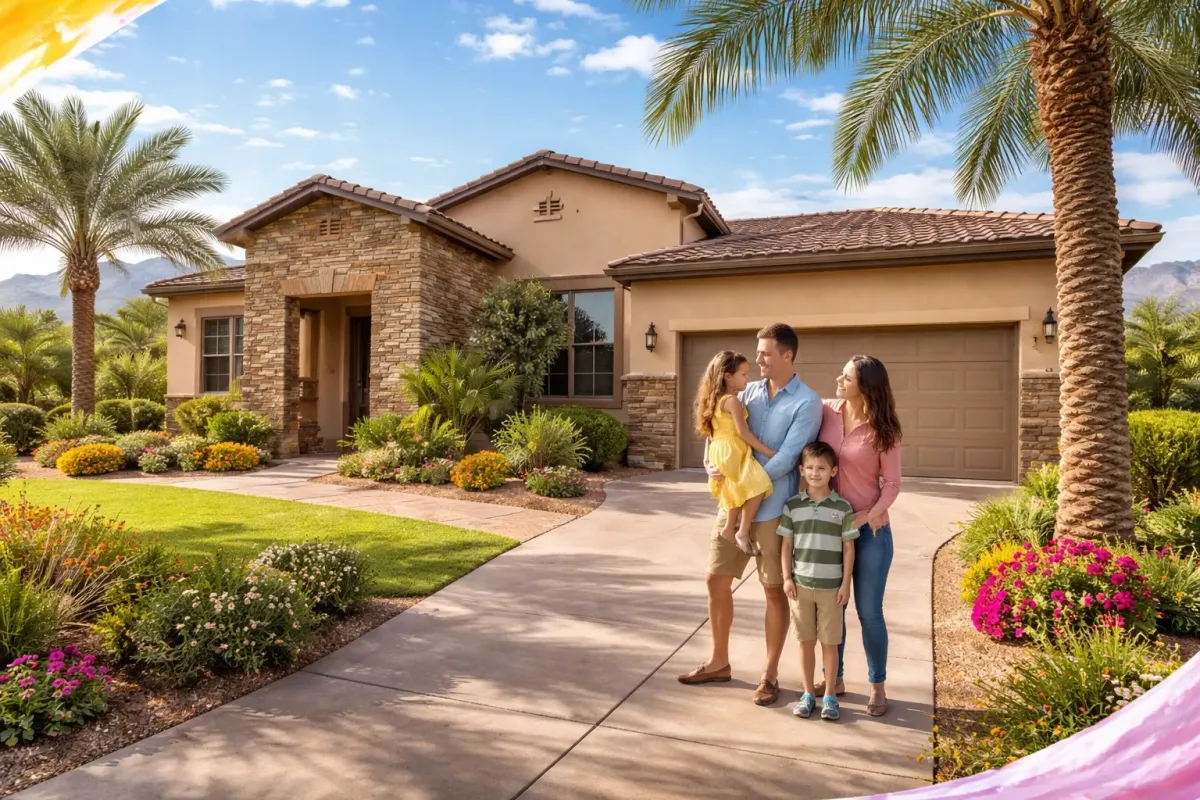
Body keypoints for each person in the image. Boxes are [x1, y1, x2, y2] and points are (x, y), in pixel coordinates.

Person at [678, 323, 822, 708]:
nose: (757, 359)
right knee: (715, 580)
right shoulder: (747, 391)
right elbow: (720, 433)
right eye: (756, 354)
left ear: (787, 356)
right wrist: (711, 462)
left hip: (772, 509)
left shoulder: (806, 402)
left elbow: (789, 458)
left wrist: (744, 482)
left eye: (765, 353)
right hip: (731, 503)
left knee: (773, 592)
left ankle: (769, 675)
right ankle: (719, 662)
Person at [813, 355, 902, 718]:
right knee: (835, 608)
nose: (839, 379)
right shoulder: (827, 411)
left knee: (869, 613)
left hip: (872, 534)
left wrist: (869, 515)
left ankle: (877, 686)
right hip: (830, 532)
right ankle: (834, 679)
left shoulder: (884, 431)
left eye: (847, 377)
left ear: (865, 387)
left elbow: (893, 484)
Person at [779, 441, 858, 721]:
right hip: (800, 587)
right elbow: (786, 546)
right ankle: (807, 693)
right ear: (801, 470)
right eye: (810, 468)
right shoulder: (792, 506)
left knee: (830, 643)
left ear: (833, 471)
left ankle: (830, 697)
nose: (815, 473)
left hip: (831, 588)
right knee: (805, 642)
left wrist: (846, 583)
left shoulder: (842, 508)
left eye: (822, 468)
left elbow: (849, 549)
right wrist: (787, 578)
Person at [693, 350, 776, 556]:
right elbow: (743, 432)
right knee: (758, 485)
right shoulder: (732, 400)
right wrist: (770, 452)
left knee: (734, 490)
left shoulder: (713, 399)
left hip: (719, 450)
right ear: (727, 376)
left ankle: (730, 529)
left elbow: (710, 433)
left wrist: (706, 458)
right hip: (732, 449)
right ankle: (742, 530)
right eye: (744, 374)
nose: (748, 379)